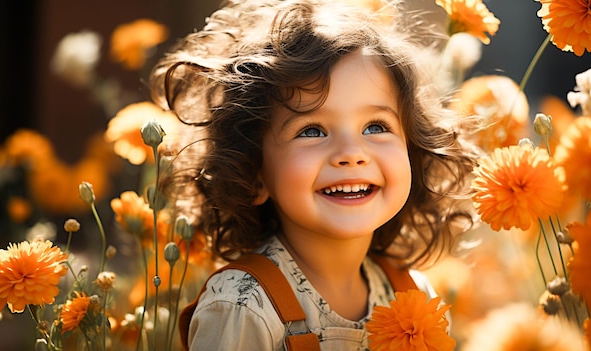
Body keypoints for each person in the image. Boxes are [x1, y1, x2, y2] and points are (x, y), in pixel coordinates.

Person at [149, 0, 478, 349]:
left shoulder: (414, 298)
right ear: (254, 173)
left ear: (412, 150)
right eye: (312, 130)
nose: (351, 153)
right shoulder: (242, 306)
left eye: (376, 126)